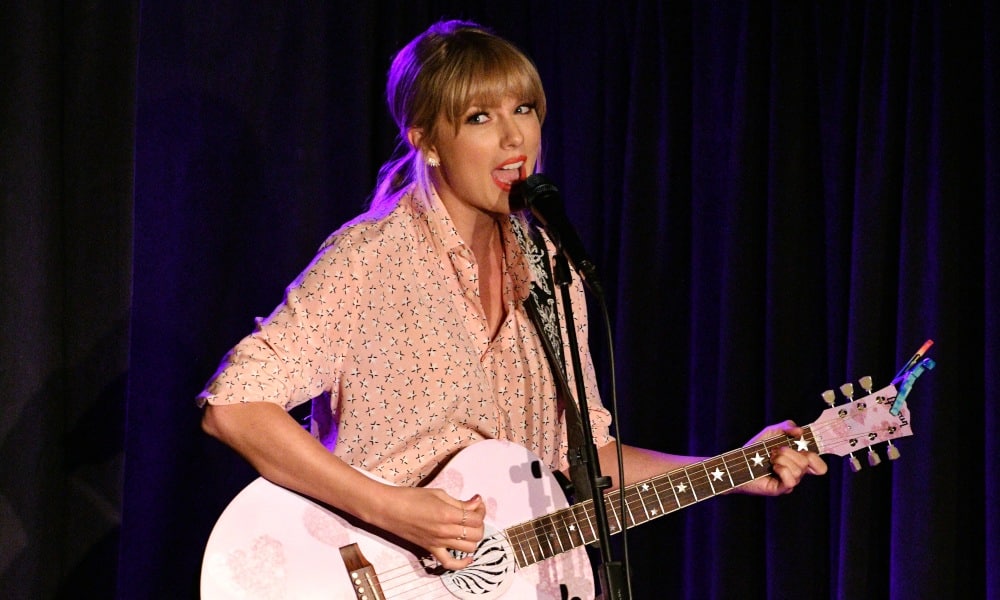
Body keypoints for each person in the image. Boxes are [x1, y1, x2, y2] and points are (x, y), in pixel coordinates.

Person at [198, 17, 827, 585]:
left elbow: (589, 461)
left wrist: (733, 467)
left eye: (523, 109)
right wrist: (392, 507)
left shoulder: (553, 271)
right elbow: (233, 407)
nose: (513, 139)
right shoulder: (372, 259)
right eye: (479, 118)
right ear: (427, 140)